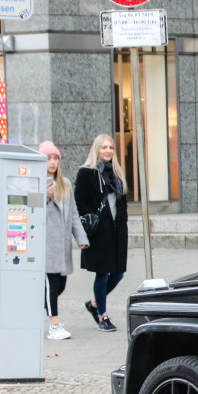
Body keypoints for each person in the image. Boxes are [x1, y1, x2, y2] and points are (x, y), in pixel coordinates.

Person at [75, 133, 128, 332]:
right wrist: (91, 225)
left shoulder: (116, 173)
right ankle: (102, 316)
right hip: (98, 232)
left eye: (111, 147)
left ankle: (95, 303)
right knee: (103, 273)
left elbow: (122, 204)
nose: (108, 151)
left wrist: (123, 226)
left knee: (119, 273)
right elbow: (80, 201)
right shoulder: (86, 173)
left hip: (116, 232)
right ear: (96, 149)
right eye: (104, 147)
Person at [41, 141, 88, 340]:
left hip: (62, 245)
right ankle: (54, 324)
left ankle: (36, 311)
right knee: (51, 285)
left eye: (55, 158)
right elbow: (28, 210)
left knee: (59, 286)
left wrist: (81, 237)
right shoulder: (35, 182)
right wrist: (45, 196)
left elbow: (74, 214)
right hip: (45, 244)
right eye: (48, 159)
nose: (52, 163)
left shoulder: (65, 183)